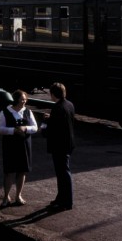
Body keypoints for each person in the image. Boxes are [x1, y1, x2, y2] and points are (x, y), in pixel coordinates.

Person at [0, 89, 38, 207]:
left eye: (25, 99)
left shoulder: (28, 112)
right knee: (9, 172)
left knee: (22, 171)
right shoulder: (4, 112)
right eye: (22, 99)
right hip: (10, 145)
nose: (24, 102)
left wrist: (26, 129)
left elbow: (35, 127)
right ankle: (6, 197)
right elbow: (0, 129)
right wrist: (13, 130)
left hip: (24, 144)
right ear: (16, 100)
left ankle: (18, 195)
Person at [43, 82, 76, 211]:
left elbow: (53, 130)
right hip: (68, 143)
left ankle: (66, 201)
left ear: (52, 94)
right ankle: (61, 198)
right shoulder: (69, 104)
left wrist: (47, 122)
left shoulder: (57, 108)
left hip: (59, 145)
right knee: (63, 173)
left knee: (63, 173)